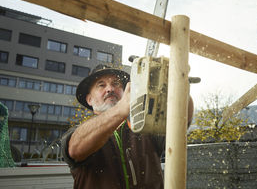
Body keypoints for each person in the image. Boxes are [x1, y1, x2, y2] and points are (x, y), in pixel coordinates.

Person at [61, 64, 193, 189]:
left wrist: (179, 86)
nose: (110, 89)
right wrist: (121, 109)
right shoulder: (81, 133)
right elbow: (75, 149)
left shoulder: (145, 127)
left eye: (116, 84)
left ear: (125, 92)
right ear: (89, 100)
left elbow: (181, 121)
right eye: (101, 85)